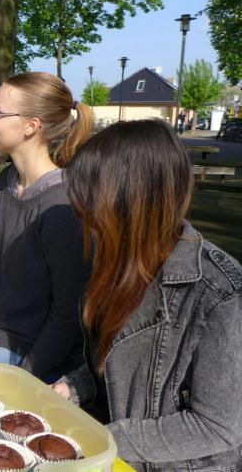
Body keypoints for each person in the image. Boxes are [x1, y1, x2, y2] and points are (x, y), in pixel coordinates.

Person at [52, 120, 242, 471]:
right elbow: (112, 369)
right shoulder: (118, 265)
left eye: (91, 212)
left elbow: (216, 427)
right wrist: (73, 387)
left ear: (127, 206)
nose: (87, 225)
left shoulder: (221, 292)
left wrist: (102, 438)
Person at [0, 72, 93, 381]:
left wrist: (25, 376)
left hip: (32, 355)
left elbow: (68, 315)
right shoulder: (6, 182)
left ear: (31, 126)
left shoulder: (63, 206)